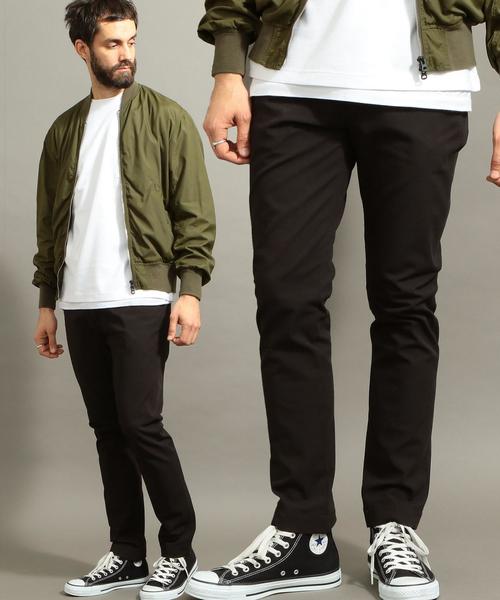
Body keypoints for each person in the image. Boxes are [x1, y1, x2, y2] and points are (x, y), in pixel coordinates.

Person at [189, 2, 500, 600]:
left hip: (422, 90)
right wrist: (228, 67)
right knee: (286, 299)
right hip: (290, 84)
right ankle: (303, 528)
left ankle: (395, 524)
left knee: (406, 303)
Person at [31, 1, 215, 597]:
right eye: (112, 44)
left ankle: (178, 550)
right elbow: (49, 225)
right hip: (80, 302)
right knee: (108, 431)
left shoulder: (166, 118)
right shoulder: (64, 131)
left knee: (141, 425)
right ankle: (127, 553)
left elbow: (194, 214)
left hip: (142, 295)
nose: (126, 54)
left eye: (131, 41)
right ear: (82, 49)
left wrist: (190, 291)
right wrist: (47, 302)